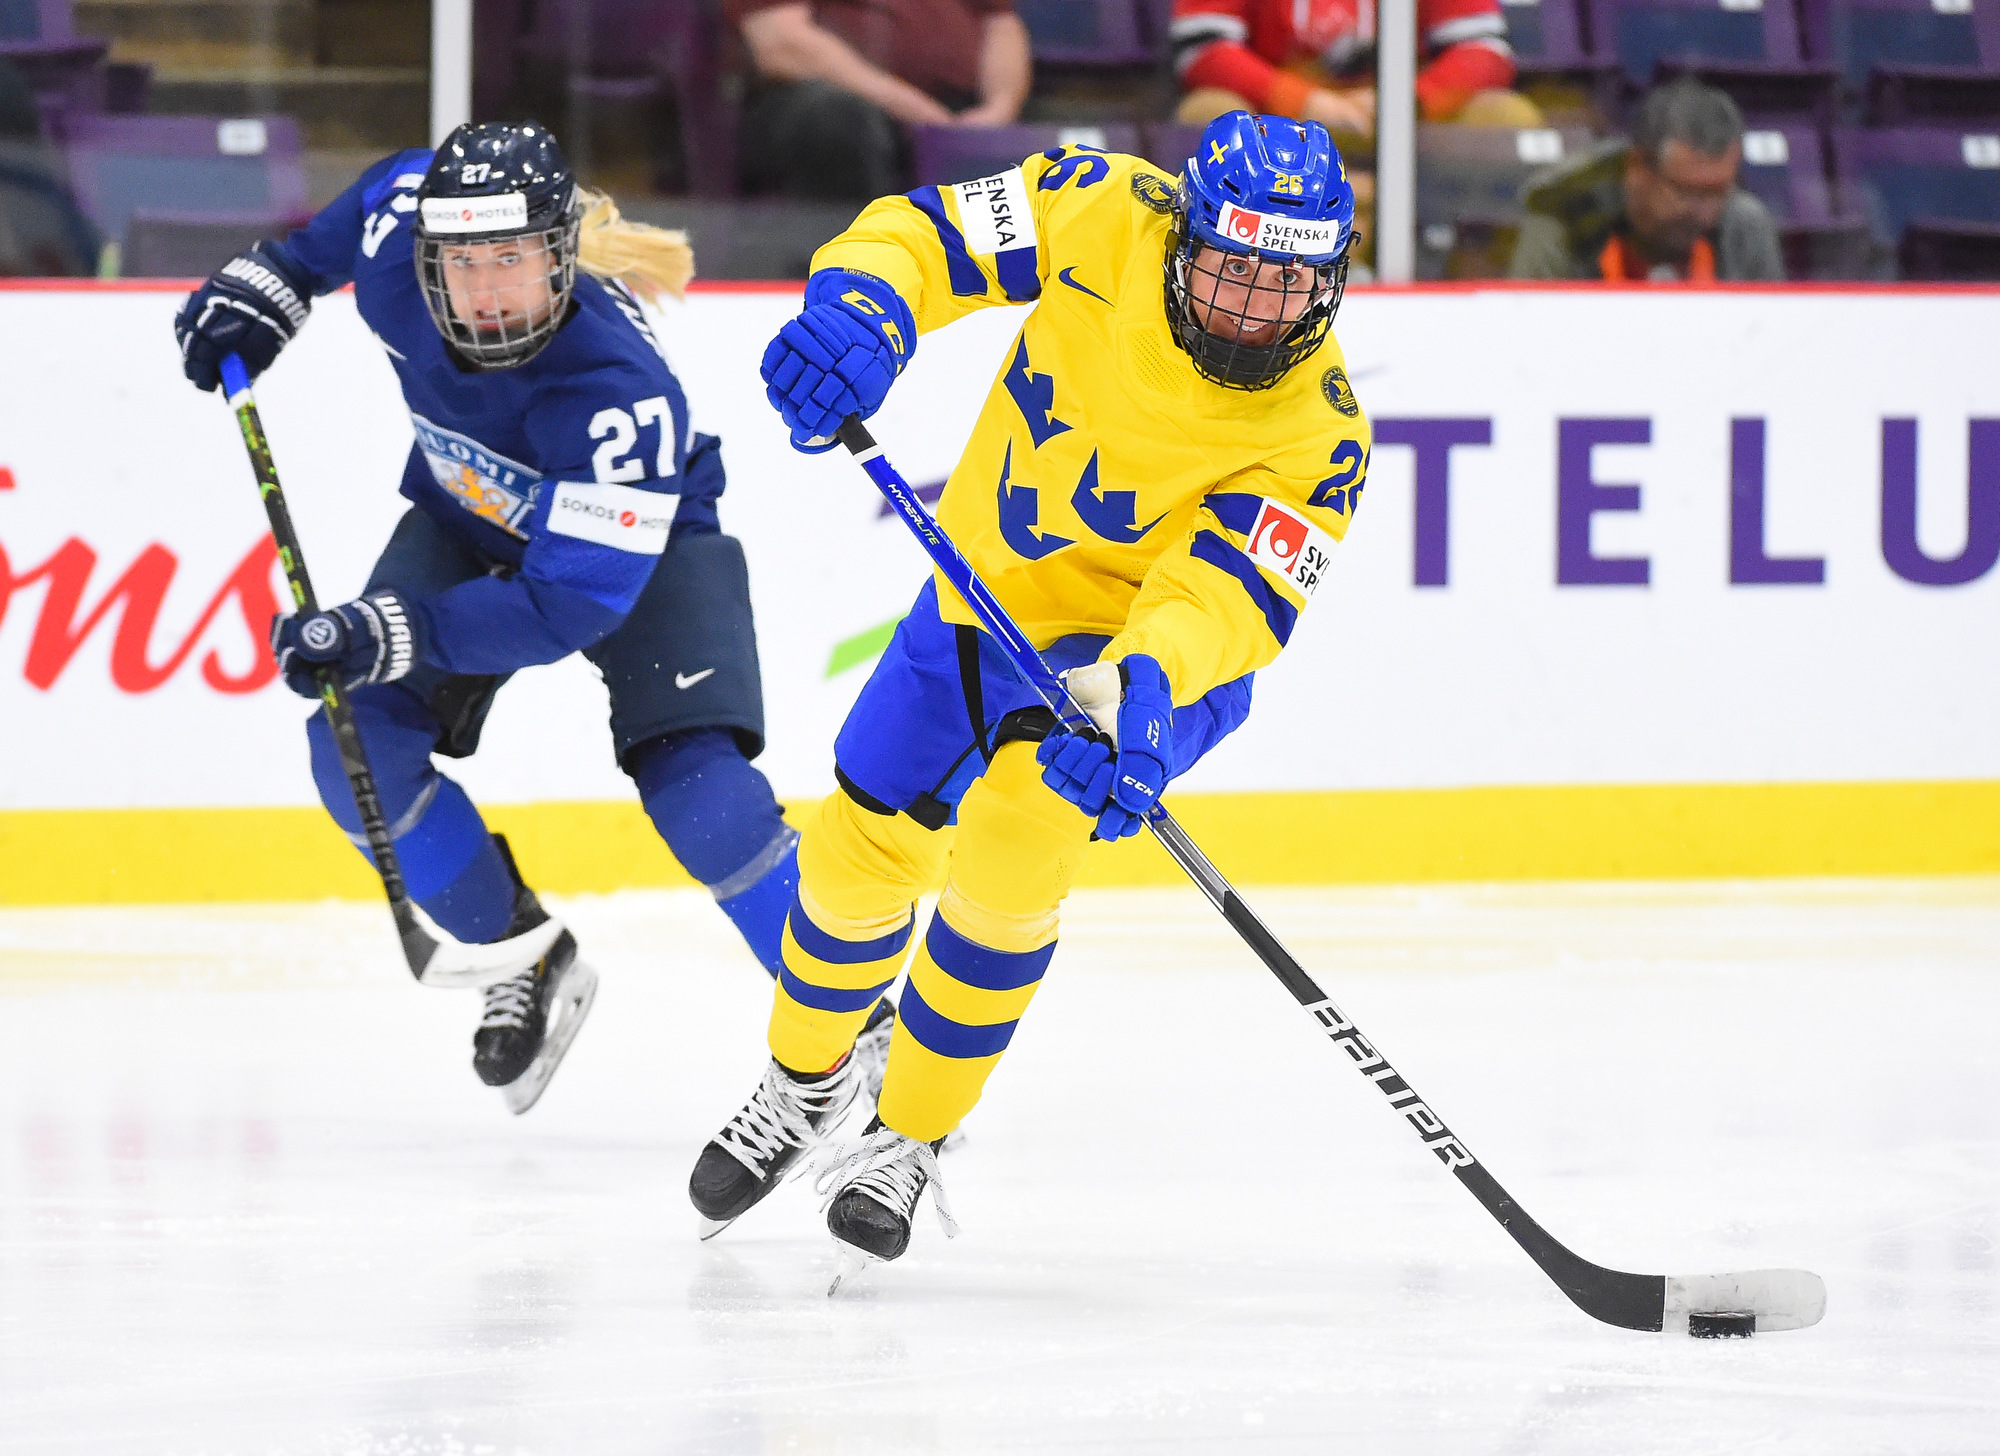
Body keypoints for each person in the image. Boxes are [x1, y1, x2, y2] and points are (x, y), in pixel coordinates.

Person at [687, 112, 1371, 1281]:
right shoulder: (1099, 203)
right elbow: (922, 234)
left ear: (1330, 279)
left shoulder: (1322, 436)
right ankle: (805, 1078)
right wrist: (863, 309)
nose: (1253, 309)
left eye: (1284, 284)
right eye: (1230, 269)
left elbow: (1225, 600)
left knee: (1008, 866)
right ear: (1179, 237)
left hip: (1129, 677)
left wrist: (1140, 696)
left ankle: (905, 1134)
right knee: (856, 852)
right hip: (972, 601)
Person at [172, 121, 893, 1113]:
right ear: (423, 254)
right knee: (356, 751)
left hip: (639, 554)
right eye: (461, 262)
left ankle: (855, 1015)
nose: (484, 291)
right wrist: (264, 289)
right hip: (467, 514)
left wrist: (396, 629)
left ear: (559, 255)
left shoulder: (614, 394)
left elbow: (565, 603)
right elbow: (315, 246)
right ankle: (518, 954)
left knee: (699, 790)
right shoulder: (394, 223)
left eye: (509, 259)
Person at [730, 0, 1032, 200]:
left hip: (961, 110)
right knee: (837, 121)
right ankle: (854, 275)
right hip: (832, 97)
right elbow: (782, 43)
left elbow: (1000, 22)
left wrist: (998, 110)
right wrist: (913, 108)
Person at [1507, 77, 1783, 282]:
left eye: (1718, 192)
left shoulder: (1745, 223)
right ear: (1638, 167)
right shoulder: (1561, 218)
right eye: (1685, 191)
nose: (1700, 210)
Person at [1169, 0, 1537, 134]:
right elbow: (1203, 48)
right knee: (1208, 113)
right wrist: (1304, 102)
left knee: (1507, 117)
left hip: (1404, 118)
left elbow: (1484, 49)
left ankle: (1487, 278)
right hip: (1274, 121)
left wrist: (1406, 101)